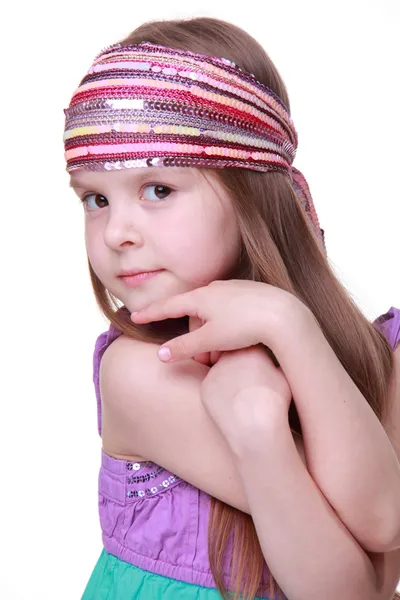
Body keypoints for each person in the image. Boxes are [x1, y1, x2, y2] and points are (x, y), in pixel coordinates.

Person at [63, 17, 400, 600]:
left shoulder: (381, 355)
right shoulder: (141, 371)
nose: (116, 231)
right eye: (95, 198)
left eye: (158, 189)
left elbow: (384, 524)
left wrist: (288, 325)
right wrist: (258, 428)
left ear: (252, 191)